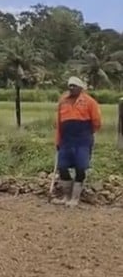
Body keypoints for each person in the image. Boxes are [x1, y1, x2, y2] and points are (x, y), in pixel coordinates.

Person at [52, 75, 102, 207]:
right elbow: (58, 123)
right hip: (66, 139)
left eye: (74, 86)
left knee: (81, 167)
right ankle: (65, 196)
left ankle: (75, 198)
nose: (71, 88)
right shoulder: (63, 102)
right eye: (70, 86)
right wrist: (58, 140)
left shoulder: (90, 102)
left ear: (81, 88)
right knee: (62, 167)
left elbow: (96, 122)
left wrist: (87, 134)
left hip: (82, 139)